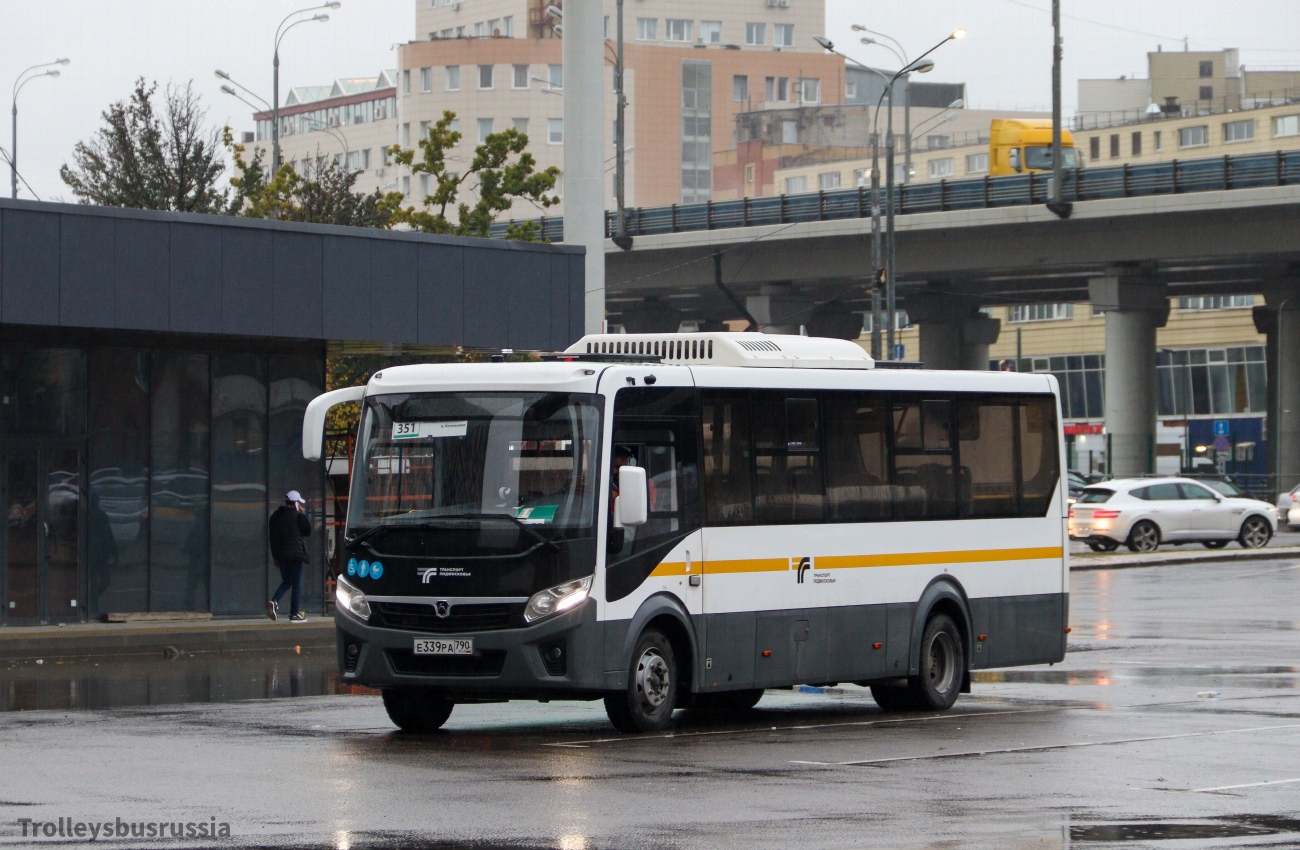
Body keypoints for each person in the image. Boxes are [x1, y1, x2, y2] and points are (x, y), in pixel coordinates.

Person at [269, 490, 312, 622]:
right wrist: (303, 515)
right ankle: (294, 613)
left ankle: (274, 601)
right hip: (295, 555)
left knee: (287, 581)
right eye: (299, 502)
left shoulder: (276, 516)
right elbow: (307, 531)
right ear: (295, 503)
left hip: (282, 555)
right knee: (297, 583)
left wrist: (276, 557)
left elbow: (273, 538)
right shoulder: (298, 516)